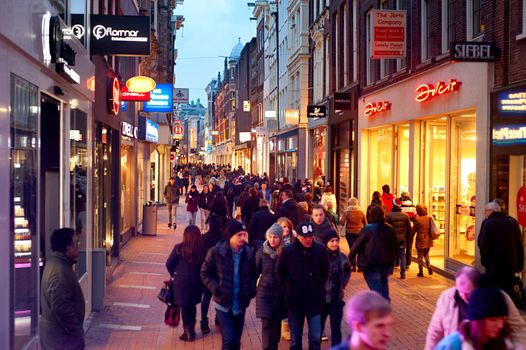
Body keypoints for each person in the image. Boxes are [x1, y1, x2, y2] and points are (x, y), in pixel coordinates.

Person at [425, 266, 526, 350]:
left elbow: (519, 328)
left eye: (468, 293)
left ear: (478, 287)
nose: (463, 296)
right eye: (459, 291)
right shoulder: (447, 298)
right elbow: (435, 331)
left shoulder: (498, 298)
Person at [200, 220, 257, 350]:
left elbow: (254, 274)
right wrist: (216, 288)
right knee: (229, 339)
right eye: (239, 235)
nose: (243, 238)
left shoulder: (248, 253)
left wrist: (251, 290)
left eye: (244, 234)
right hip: (223, 304)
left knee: (236, 341)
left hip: (240, 303)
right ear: (230, 236)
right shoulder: (216, 252)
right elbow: (204, 272)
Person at [276, 222, 329, 350]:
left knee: (316, 338)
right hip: (295, 302)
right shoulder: (288, 251)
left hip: (315, 301)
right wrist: (287, 291)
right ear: (298, 236)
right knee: (296, 341)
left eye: (310, 236)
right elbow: (280, 272)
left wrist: (318, 287)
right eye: (305, 237)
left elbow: (325, 272)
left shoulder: (321, 250)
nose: (308, 239)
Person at [40, 228, 85, 350]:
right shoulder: (59, 271)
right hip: (61, 340)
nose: (78, 246)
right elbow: (61, 308)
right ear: (69, 248)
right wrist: (77, 333)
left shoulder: (60, 264)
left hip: (60, 338)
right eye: (77, 242)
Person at [434, 287, 516, 350]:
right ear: (478, 321)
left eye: (502, 319)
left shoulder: (504, 344)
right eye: (493, 319)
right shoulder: (451, 345)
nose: (500, 325)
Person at [478, 201, 524, 302]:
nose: (484, 213)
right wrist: (519, 264)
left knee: (494, 291)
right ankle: (507, 310)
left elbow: (483, 244)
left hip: (493, 265)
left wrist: (484, 261)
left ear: (492, 211)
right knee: (507, 291)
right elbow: (519, 245)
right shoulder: (512, 222)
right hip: (510, 265)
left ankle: (496, 310)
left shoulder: (487, 223)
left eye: (486, 211)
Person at [350, 206, 398, 301]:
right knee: (383, 283)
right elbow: (395, 246)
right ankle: (384, 304)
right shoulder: (390, 229)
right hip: (386, 262)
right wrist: (393, 259)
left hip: (370, 263)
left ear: (371, 215)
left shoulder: (368, 229)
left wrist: (350, 258)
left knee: (376, 287)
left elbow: (357, 245)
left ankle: (380, 306)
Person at [166, 225, 205, 341]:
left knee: (184, 306)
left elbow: (169, 263)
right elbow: (204, 266)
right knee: (192, 305)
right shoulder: (201, 250)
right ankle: (191, 329)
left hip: (181, 282)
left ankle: (188, 331)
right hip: (196, 282)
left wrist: (174, 274)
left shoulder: (179, 248)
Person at [256, 224, 287, 350]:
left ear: (280, 238)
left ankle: (273, 346)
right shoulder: (261, 251)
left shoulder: (285, 253)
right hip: (264, 292)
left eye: (275, 237)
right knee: (266, 323)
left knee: (275, 324)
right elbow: (256, 270)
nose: (272, 239)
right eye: (270, 236)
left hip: (279, 294)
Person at [321, 230, 351, 347]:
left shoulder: (342, 257)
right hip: (322, 299)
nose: (334, 243)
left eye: (336, 241)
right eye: (331, 241)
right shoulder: (321, 257)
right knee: (318, 329)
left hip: (336, 299)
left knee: (336, 328)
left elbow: (348, 270)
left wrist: (343, 283)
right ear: (326, 243)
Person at [200, 214, 224, 334]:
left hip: (208, 273)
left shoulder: (204, 238)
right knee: (219, 297)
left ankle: (204, 322)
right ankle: (219, 318)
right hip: (221, 273)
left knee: (206, 297)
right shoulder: (224, 237)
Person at [386, 198, 411, 279]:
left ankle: (390, 271)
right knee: (402, 255)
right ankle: (403, 272)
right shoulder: (405, 216)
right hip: (402, 238)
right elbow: (409, 228)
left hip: (392, 239)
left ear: (393, 205)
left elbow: (387, 228)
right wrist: (406, 237)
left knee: (391, 254)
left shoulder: (389, 215)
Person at [340, 197, 367, 271]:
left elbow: (341, 222)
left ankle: (354, 265)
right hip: (359, 232)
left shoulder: (347, 211)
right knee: (359, 248)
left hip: (349, 232)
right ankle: (360, 265)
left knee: (352, 248)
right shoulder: (361, 212)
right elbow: (365, 223)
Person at [413, 204, 433, 277]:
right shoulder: (429, 218)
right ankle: (429, 266)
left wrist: (410, 238)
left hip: (421, 238)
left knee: (420, 255)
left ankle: (421, 271)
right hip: (428, 238)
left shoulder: (417, 219)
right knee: (426, 254)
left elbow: (414, 230)